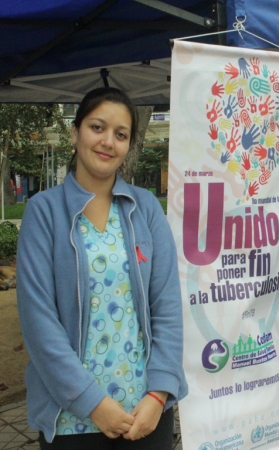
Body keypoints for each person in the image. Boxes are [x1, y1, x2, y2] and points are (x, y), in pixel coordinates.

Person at [17, 87, 188, 449]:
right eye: (98, 127)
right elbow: (38, 322)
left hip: (145, 414)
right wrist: (92, 404)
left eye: (121, 134)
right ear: (76, 132)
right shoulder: (43, 212)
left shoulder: (145, 209)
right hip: (72, 419)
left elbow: (168, 307)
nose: (108, 141)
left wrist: (158, 395)